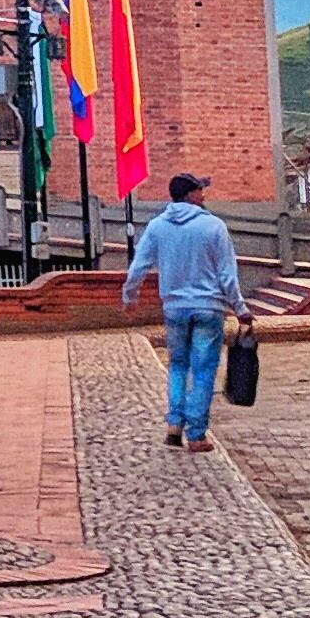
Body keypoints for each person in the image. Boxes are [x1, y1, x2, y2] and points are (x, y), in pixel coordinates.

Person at [122, 172, 244, 451]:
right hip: (208, 308)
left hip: (174, 308)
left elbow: (138, 266)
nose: (204, 195)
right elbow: (227, 275)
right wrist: (240, 309)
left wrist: (130, 296)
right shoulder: (214, 227)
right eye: (200, 190)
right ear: (190, 195)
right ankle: (197, 434)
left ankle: (174, 425)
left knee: (177, 366)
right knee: (202, 371)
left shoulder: (157, 227)